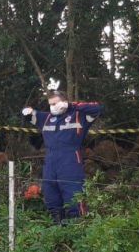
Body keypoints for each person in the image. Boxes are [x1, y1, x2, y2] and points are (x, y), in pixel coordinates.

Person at [22, 90, 103, 222]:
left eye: (55, 103)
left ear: (63, 102)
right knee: (52, 199)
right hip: (50, 163)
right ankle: (58, 233)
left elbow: (98, 107)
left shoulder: (79, 116)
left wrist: (71, 105)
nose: (52, 106)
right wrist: (28, 110)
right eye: (50, 104)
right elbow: (26, 112)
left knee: (74, 198)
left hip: (70, 161)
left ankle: (77, 231)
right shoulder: (46, 118)